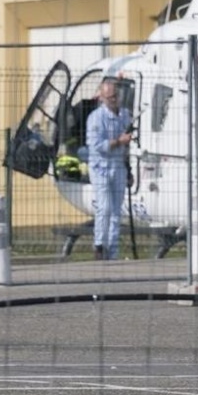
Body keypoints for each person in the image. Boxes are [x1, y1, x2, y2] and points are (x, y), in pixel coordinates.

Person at [85, 77, 132, 261]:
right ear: (102, 98)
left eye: (115, 96)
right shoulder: (96, 118)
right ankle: (99, 244)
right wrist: (119, 141)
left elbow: (128, 145)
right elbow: (97, 146)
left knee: (116, 211)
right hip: (100, 168)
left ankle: (112, 252)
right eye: (109, 97)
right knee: (104, 207)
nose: (113, 100)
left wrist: (128, 169)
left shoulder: (125, 115)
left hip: (118, 166)